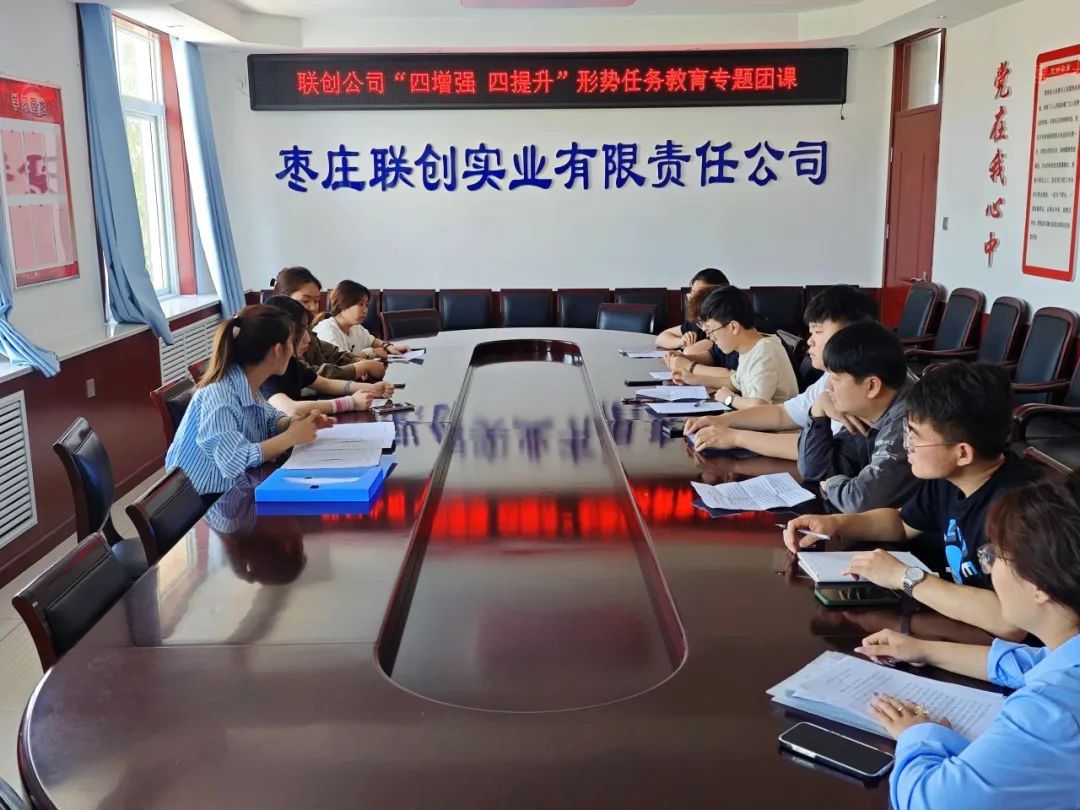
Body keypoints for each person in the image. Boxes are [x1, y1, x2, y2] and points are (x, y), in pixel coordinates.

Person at [855, 475, 1080, 810]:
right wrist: (924, 649)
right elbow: (1031, 663)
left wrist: (918, 734)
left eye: (997, 556)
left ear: (1041, 587)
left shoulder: (1053, 712)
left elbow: (927, 802)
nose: (989, 569)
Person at [783, 363, 1036, 638]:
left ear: (963, 453)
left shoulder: (1021, 510)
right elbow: (902, 523)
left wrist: (904, 577)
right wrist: (836, 523)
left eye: (915, 437)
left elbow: (1011, 622)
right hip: (957, 628)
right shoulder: (954, 477)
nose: (908, 447)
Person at [685, 285, 878, 461]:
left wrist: (735, 437)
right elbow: (782, 413)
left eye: (818, 332)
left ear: (851, 334)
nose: (810, 341)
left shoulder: (862, 387)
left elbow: (821, 451)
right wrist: (719, 421)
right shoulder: (830, 377)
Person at [164, 305, 327, 496]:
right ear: (277, 350)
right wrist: (292, 436)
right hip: (208, 501)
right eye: (291, 342)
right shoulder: (220, 395)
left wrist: (294, 423)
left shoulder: (248, 382)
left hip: (239, 488)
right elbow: (234, 460)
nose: (293, 349)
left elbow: (269, 419)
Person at [795, 320, 917, 512]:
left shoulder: (908, 420)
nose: (828, 386)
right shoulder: (870, 404)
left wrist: (832, 484)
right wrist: (818, 409)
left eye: (836, 378)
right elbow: (813, 471)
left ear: (872, 386)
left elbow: (860, 501)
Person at [262, 296, 392, 417]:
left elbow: (327, 384)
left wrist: (372, 389)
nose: (308, 339)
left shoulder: (290, 363)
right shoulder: (264, 369)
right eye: (300, 331)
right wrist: (351, 403)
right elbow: (291, 409)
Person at [673, 286, 798, 406]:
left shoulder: (764, 352)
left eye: (711, 331)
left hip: (773, 421)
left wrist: (729, 399)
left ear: (733, 327)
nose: (711, 338)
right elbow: (735, 382)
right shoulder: (749, 347)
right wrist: (693, 379)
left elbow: (758, 405)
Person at [272, 266, 385, 381]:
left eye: (316, 301)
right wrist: (361, 367)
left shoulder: (310, 335)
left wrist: (363, 363)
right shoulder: (278, 341)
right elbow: (308, 376)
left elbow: (335, 355)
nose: (313, 308)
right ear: (283, 299)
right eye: (305, 300)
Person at [313, 280, 412, 359]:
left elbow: (372, 341)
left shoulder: (355, 327)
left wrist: (389, 347)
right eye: (360, 304)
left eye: (366, 305)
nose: (365, 310)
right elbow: (341, 362)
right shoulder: (326, 331)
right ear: (343, 304)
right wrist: (370, 353)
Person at [655, 267, 730, 350]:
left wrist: (690, 348)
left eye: (700, 295)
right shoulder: (698, 322)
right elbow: (660, 338)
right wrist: (682, 341)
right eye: (692, 293)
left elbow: (691, 351)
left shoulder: (723, 327)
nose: (692, 299)